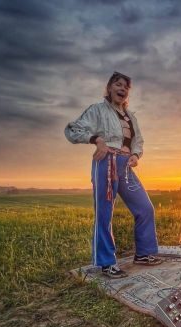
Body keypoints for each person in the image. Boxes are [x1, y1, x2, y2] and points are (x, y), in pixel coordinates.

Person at [64, 71, 161, 278]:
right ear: (109, 88)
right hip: (105, 162)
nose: (122, 89)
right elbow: (73, 129)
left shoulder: (131, 117)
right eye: (118, 84)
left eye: (126, 87)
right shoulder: (97, 110)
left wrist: (135, 155)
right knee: (104, 214)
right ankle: (107, 263)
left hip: (126, 165)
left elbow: (139, 141)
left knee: (145, 208)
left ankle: (144, 254)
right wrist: (96, 139)